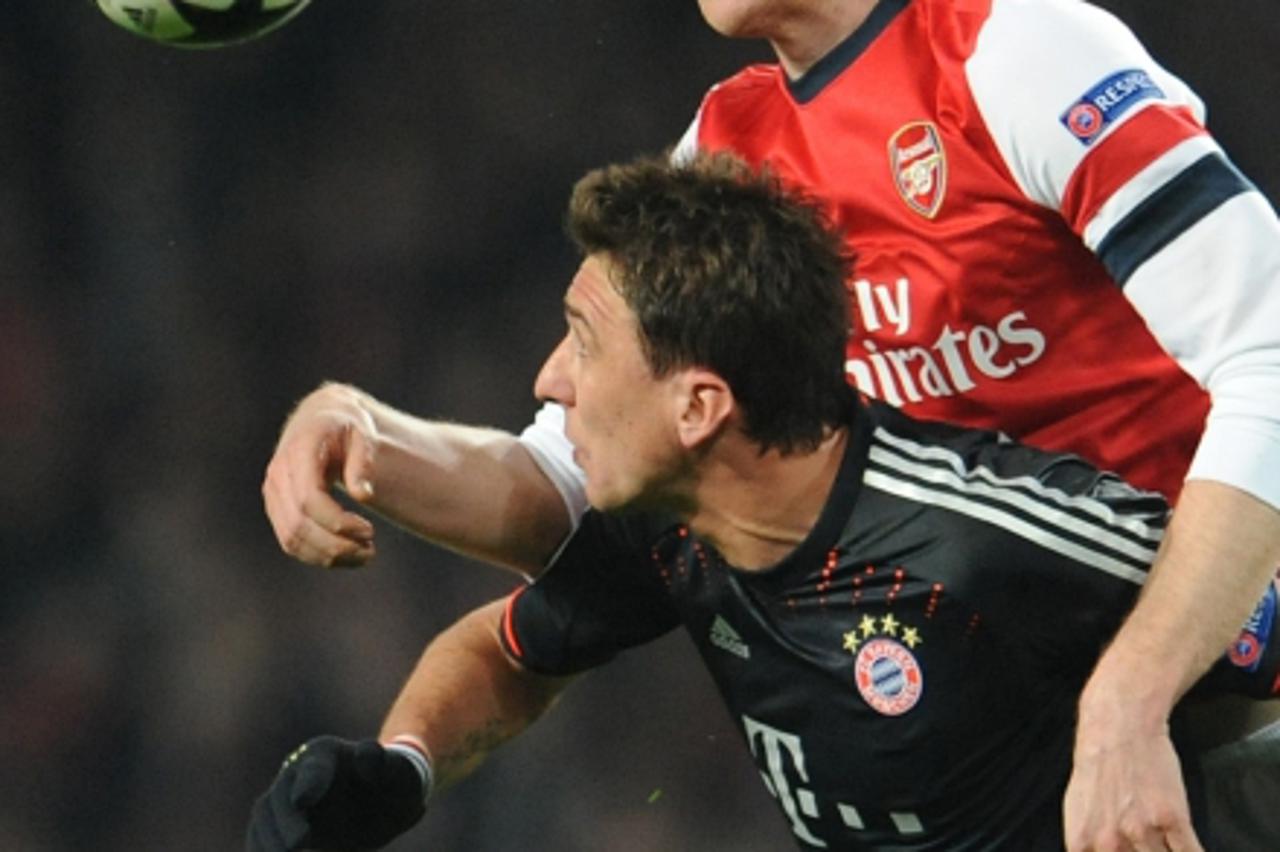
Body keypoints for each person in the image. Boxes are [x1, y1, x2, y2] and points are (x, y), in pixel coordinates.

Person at [259, 1, 1280, 847]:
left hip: (1205, 702)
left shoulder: (1013, 50)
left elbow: (1268, 353)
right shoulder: (731, 147)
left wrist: (1131, 695)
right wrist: (359, 437)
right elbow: (585, 480)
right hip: (975, 727)